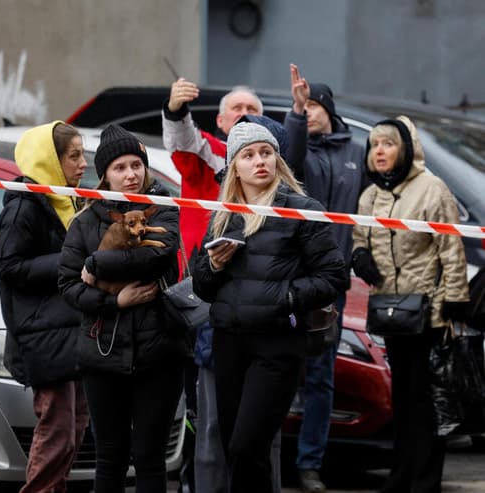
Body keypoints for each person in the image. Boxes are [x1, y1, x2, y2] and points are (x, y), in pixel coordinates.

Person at [192, 122, 347, 493]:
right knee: (238, 450)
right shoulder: (222, 212)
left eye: (266, 153)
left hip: (277, 344)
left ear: (278, 159)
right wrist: (213, 265)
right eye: (248, 155)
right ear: (235, 166)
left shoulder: (302, 210)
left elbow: (334, 276)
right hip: (229, 342)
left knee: (248, 445)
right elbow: (201, 286)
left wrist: (286, 297)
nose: (259, 161)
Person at [162, 79, 284, 493]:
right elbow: (182, 137)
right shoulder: (207, 155)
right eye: (237, 108)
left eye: (254, 107)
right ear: (218, 121)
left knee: (257, 427)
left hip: (263, 316)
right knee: (207, 417)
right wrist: (176, 111)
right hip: (206, 301)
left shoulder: (276, 179)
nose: (245, 114)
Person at [58, 124, 186, 492]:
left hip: (158, 351)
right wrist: (114, 301)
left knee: (149, 459)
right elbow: (67, 285)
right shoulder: (84, 221)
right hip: (103, 353)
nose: (130, 174)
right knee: (109, 459)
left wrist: (96, 265)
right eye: (119, 167)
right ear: (105, 175)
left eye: (136, 165)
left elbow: (155, 258)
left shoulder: (161, 208)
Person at [351, 116, 470, 493]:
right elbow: (359, 237)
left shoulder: (432, 189)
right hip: (390, 311)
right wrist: (359, 256)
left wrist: (455, 298)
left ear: (406, 149)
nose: (379, 151)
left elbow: (451, 248)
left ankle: (424, 480)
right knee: (400, 399)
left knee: (426, 402)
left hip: (429, 312)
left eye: (388, 144)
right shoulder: (369, 195)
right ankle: (401, 474)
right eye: (374, 145)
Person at [0, 121, 90, 493]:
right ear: (49, 160)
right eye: (74, 155)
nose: (83, 164)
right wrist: (69, 260)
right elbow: (9, 268)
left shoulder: (67, 201)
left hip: (71, 332)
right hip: (43, 338)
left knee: (75, 428)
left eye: (83, 154)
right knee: (57, 430)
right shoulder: (24, 208)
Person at [283, 64, 367, 493]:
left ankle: (310, 464)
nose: (310, 111)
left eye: (314, 105)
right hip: (289, 280)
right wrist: (295, 115)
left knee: (320, 377)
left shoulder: (356, 152)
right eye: (305, 105)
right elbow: (289, 157)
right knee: (278, 371)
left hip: (331, 286)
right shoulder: (300, 149)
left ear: (329, 109)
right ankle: (273, 459)